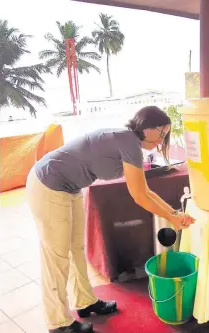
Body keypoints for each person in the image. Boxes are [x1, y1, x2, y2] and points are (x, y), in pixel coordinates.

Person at [26, 106, 195, 333]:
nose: (161, 140)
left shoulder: (129, 142)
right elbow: (139, 196)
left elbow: (145, 190)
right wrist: (171, 217)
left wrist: (173, 214)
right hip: (48, 184)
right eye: (160, 133)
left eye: (165, 135)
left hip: (70, 187)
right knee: (56, 257)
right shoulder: (129, 143)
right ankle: (58, 323)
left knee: (76, 249)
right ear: (145, 125)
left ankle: (85, 302)